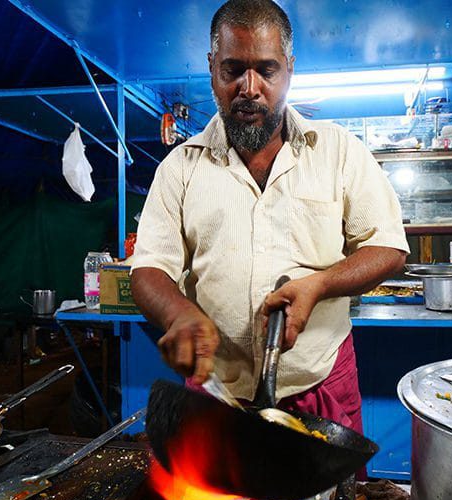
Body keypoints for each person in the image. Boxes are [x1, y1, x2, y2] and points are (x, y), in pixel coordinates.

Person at [129, 0, 409, 433]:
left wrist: (320, 284)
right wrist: (176, 312)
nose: (250, 87)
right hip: (218, 392)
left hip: (320, 382)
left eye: (267, 69)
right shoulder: (180, 168)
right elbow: (149, 268)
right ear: (211, 67)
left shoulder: (337, 151)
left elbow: (388, 248)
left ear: (290, 69)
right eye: (233, 69)